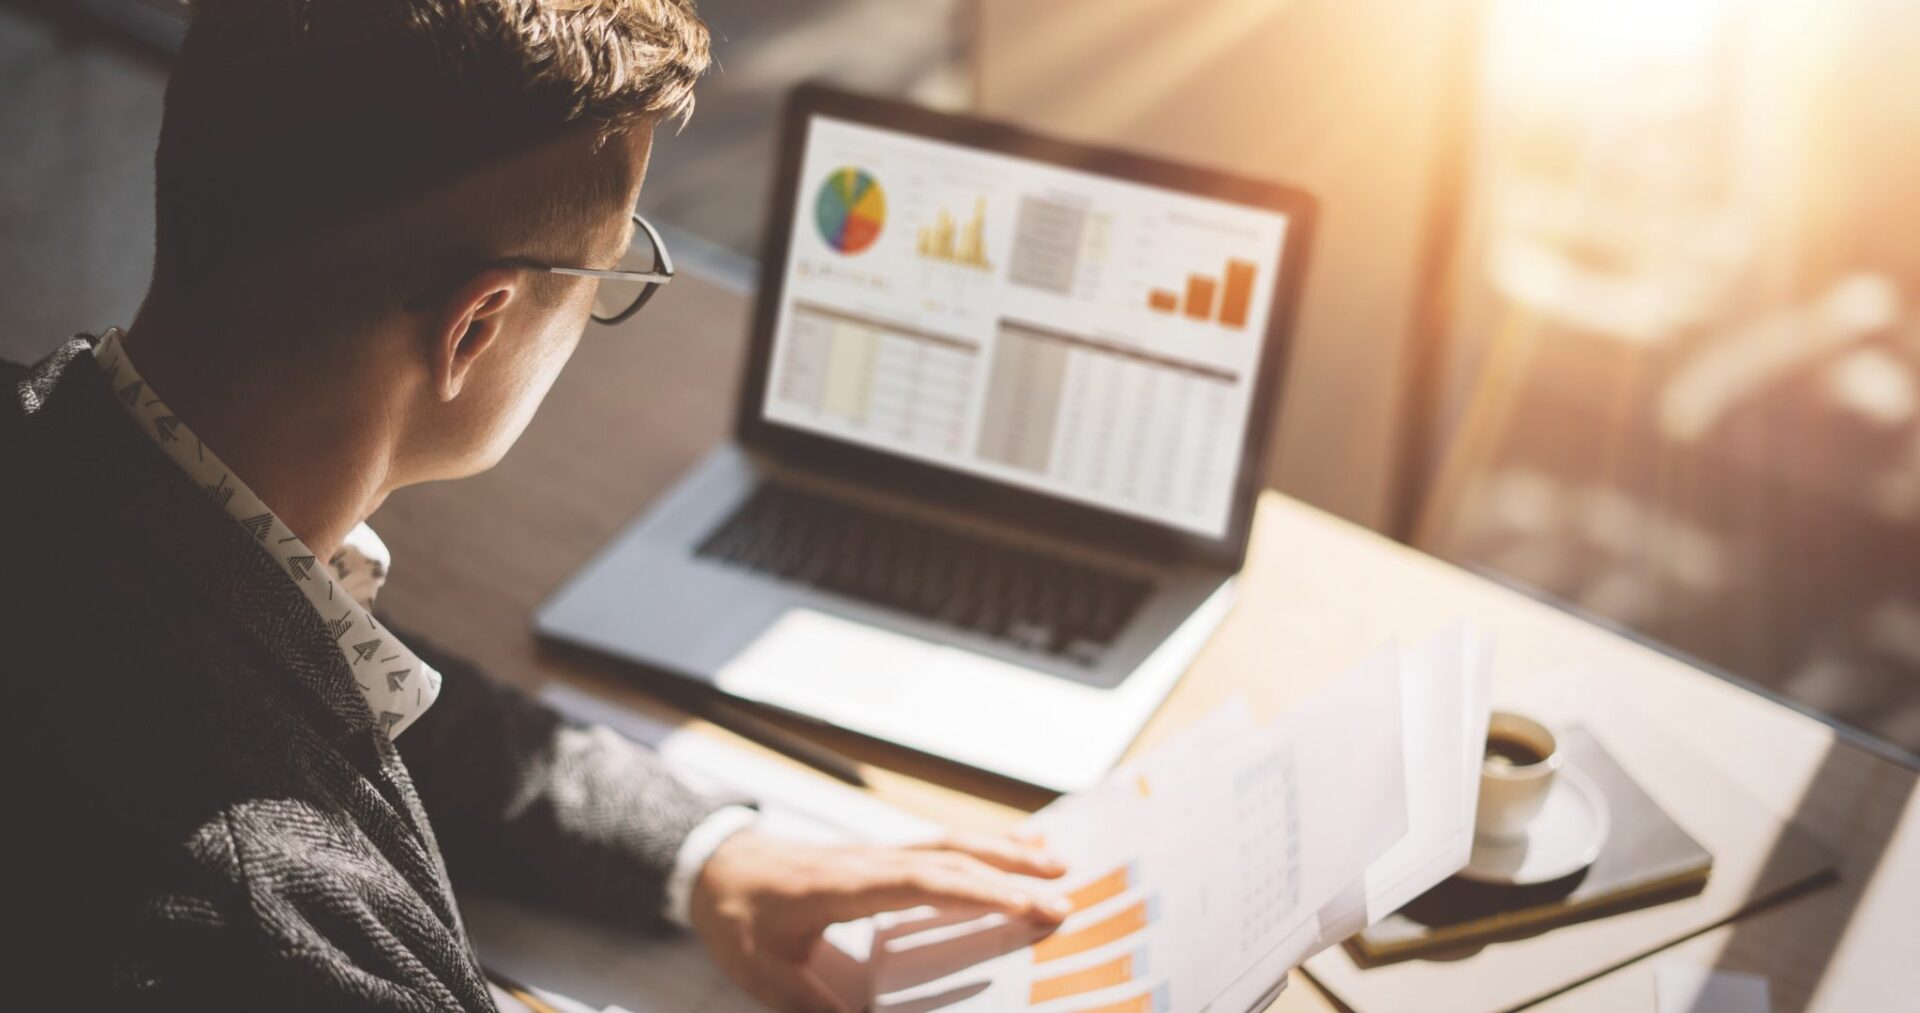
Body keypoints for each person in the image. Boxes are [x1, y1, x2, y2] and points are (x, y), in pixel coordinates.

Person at [0, 1, 1069, 1009]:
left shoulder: (68, 465)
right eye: (609, 272)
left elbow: (322, 678)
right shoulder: (274, 922)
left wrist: (706, 855)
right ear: (475, 330)